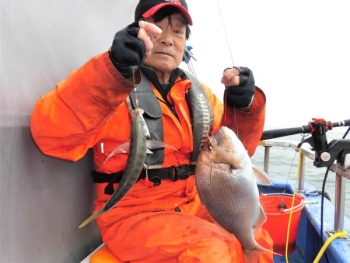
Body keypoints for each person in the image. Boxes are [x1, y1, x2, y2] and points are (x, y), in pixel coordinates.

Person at [30, 0, 273, 262]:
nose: (168, 39)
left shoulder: (201, 96)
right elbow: (52, 136)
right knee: (213, 251)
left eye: (178, 32)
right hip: (134, 216)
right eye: (157, 28)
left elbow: (238, 157)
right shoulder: (110, 84)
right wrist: (113, 68)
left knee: (258, 240)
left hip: (196, 205)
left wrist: (243, 107)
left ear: (184, 44)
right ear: (138, 33)